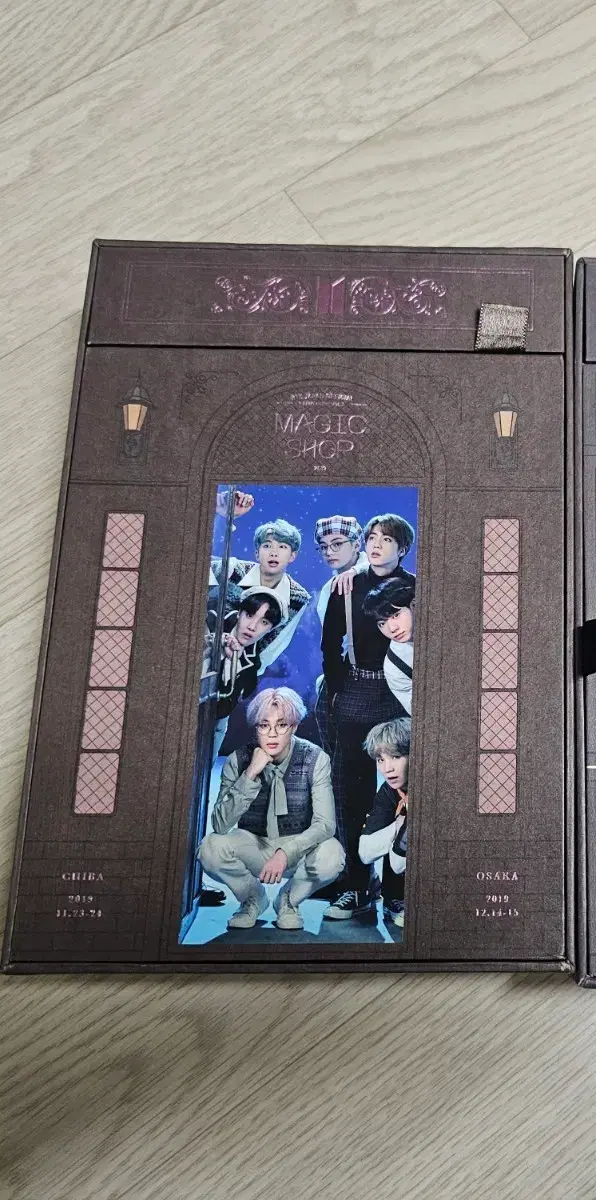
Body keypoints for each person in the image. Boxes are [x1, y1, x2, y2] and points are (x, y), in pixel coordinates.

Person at [322, 512, 415, 921]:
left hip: (400, 694)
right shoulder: (347, 584)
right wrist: (339, 688)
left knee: (405, 793)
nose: (377, 544)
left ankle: (397, 893)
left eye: (387, 539)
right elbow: (330, 643)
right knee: (351, 794)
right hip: (356, 691)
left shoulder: (416, 588)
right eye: (372, 537)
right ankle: (357, 887)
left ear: (402, 548)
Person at [198, 688, 345, 931]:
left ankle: (288, 901)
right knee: (210, 847)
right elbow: (220, 825)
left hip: (296, 845)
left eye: (282, 725)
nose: (272, 734)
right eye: (264, 725)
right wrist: (250, 774)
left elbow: (325, 824)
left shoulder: (315, 758)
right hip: (253, 844)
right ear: (256, 727)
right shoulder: (238, 760)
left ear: (294, 726)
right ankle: (252, 899)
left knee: (332, 853)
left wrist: (285, 853)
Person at [211, 519, 310, 672]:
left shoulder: (297, 598)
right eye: (267, 546)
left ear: (292, 556)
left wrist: (243, 670)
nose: (274, 553)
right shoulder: (233, 570)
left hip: (240, 667)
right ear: (257, 553)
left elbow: (273, 646)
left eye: (282, 547)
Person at [205, 587, 287, 760]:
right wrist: (213, 649)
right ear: (239, 613)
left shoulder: (251, 667)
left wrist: (232, 662)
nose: (252, 627)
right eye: (249, 615)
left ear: (270, 630)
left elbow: (223, 709)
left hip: (213, 724)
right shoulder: (210, 620)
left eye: (264, 622)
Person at [359, 718, 410, 928]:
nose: (387, 768)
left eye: (396, 757)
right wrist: (401, 820)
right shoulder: (389, 791)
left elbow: (398, 864)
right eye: (381, 759)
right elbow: (366, 853)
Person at [362, 579, 415, 715]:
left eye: (396, 615)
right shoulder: (394, 667)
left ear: (414, 605)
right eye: (382, 623)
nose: (392, 628)